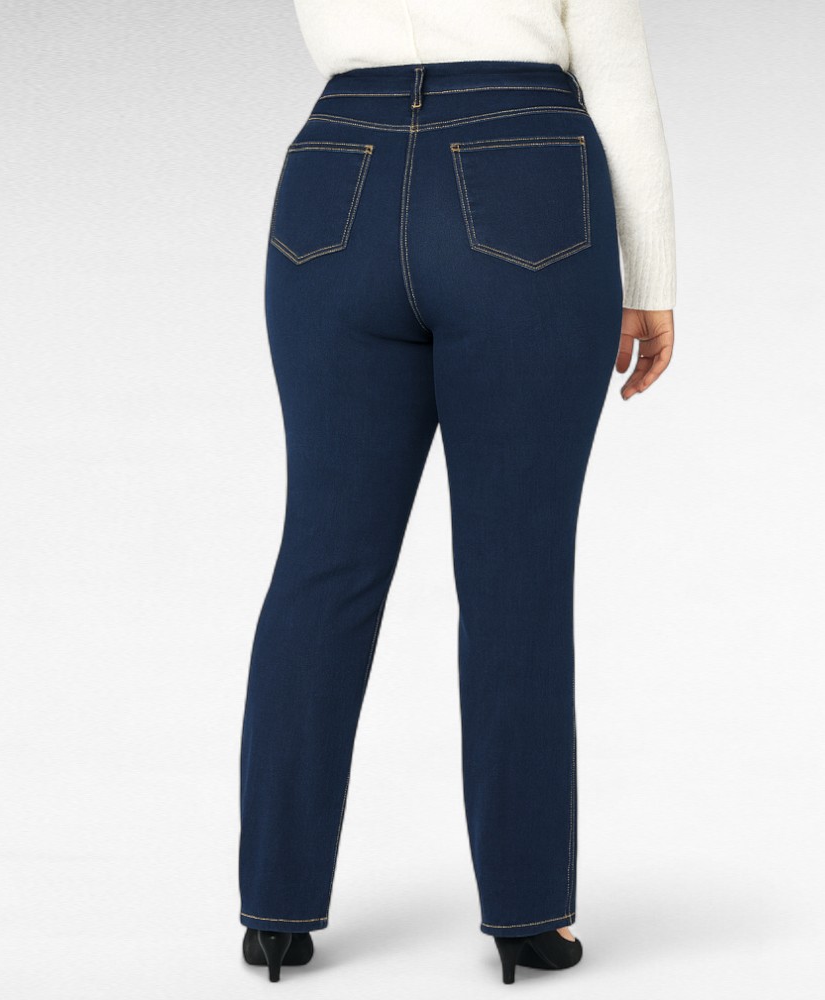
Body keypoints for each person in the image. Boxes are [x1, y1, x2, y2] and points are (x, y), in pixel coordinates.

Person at [239, 0, 676, 984]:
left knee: (322, 561)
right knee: (515, 570)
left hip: (336, 169)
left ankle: (275, 910)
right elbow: (616, 74)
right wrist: (651, 277)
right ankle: (528, 916)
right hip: (523, 171)